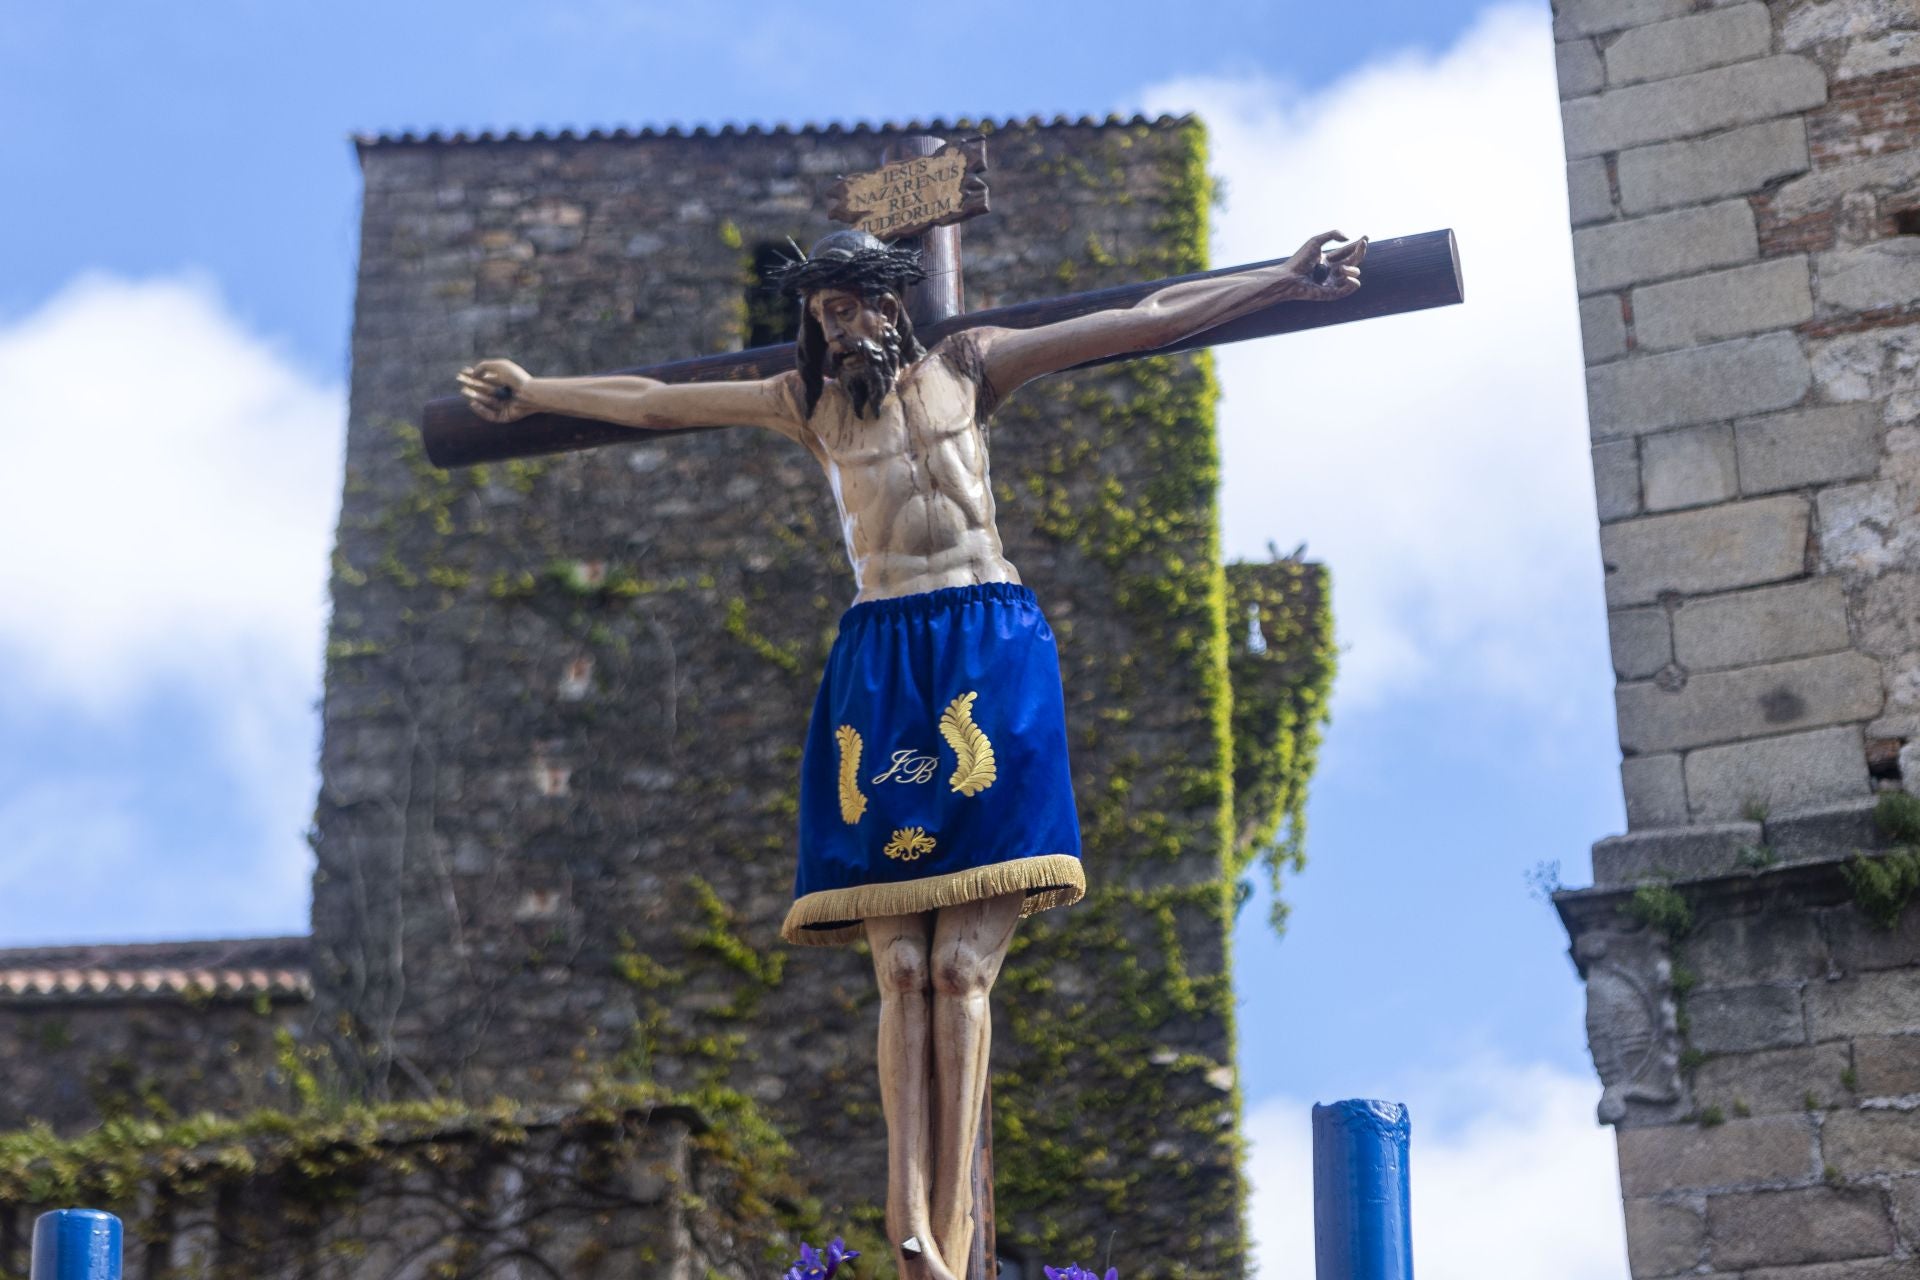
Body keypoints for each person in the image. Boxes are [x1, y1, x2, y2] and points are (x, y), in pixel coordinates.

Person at [457, 226, 1363, 1280]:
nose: (837, 328)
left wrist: (1281, 279)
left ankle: (961, 1236)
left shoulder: (970, 365)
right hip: (882, 655)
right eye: (822, 315)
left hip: (985, 643)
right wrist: (535, 390)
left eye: (851, 307)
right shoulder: (810, 406)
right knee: (901, 966)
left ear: (892, 304)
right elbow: (659, 398)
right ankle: (910, 1231)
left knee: (961, 964)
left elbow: (1142, 320)